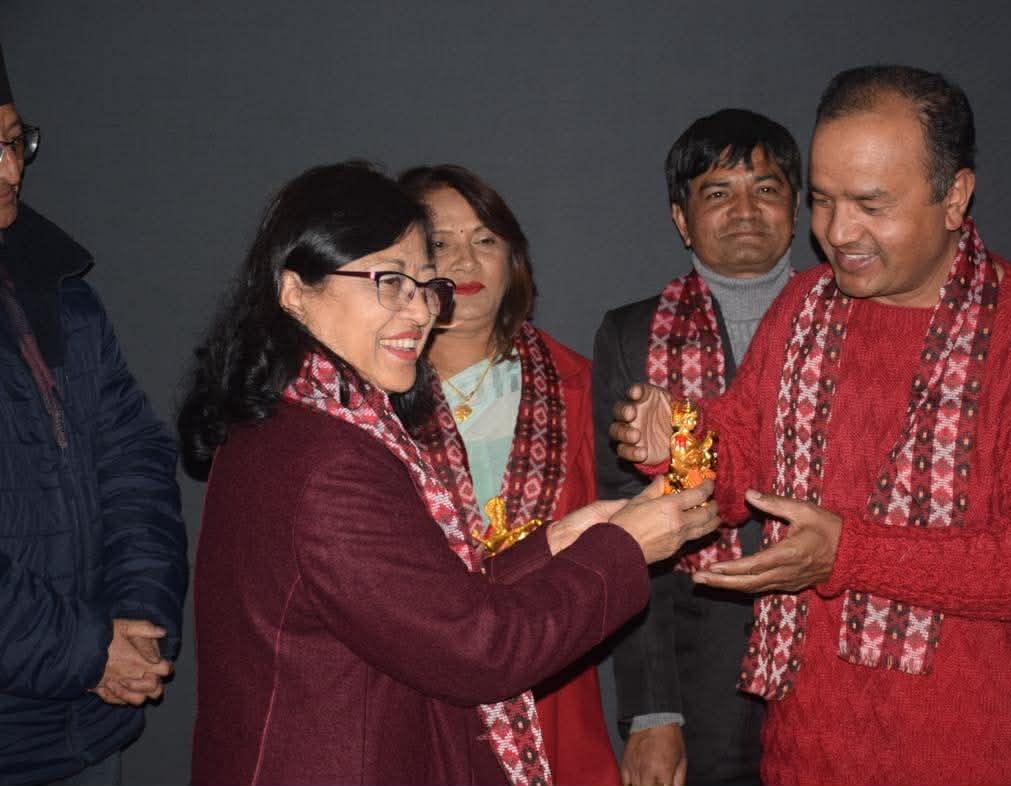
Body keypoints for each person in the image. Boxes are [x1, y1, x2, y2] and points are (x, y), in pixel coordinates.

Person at [611, 65, 1011, 786]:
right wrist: (679, 444)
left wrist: (850, 552)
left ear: (954, 198)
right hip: (808, 753)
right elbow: (741, 457)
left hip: (993, 759)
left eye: (871, 205)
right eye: (822, 200)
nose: (838, 233)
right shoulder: (804, 307)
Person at [180, 161, 720, 786]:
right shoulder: (330, 461)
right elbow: (479, 650)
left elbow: (418, 608)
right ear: (295, 291)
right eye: (389, 281)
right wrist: (622, 548)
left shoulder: (298, 417)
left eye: (422, 284)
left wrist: (557, 544)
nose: (419, 310)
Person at [593, 108, 801, 786]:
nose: (745, 209)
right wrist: (652, 713)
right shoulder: (631, 335)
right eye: (718, 192)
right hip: (698, 671)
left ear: (795, 208)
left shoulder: (853, 319)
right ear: (681, 219)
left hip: (834, 656)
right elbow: (625, 533)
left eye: (765, 188)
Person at [398, 164, 622, 786]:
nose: (465, 260)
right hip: (413, 698)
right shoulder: (365, 402)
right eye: (440, 242)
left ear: (513, 259)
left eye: (485, 239)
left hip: (555, 697)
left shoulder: (578, 385)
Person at [0, 45, 187, 786]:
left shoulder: (58, 288)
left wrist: (138, 621)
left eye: (14, 142)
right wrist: (88, 651)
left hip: (87, 723)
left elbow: (134, 459)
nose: (10, 170)